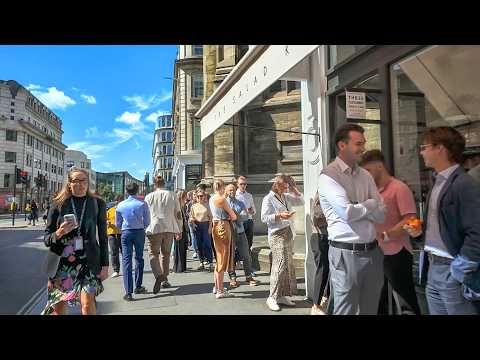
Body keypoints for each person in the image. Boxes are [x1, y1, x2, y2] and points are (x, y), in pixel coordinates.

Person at [318, 123, 386, 315]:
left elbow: (382, 214)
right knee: (345, 310)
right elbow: (346, 213)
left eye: (363, 143)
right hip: (345, 254)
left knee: (370, 308)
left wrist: (360, 205)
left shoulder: (365, 175)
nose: (363, 148)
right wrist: (370, 204)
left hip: (373, 252)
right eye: (358, 143)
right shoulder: (329, 176)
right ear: (342, 145)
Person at [411, 127, 480, 315]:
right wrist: (420, 234)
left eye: (424, 147)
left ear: (440, 149)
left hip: (452, 270)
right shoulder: (438, 182)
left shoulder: (464, 184)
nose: (421, 152)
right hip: (433, 269)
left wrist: (461, 269)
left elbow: (477, 230)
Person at [360, 149, 421, 315]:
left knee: (404, 299)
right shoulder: (370, 192)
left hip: (397, 253)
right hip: (375, 253)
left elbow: (410, 219)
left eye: (368, 170)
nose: (366, 175)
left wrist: (386, 235)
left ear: (380, 166)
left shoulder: (399, 188)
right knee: (378, 298)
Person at [42, 167, 108, 315]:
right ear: (69, 183)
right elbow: (47, 239)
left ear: (88, 182)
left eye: (83, 180)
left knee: (86, 304)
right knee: (59, 309)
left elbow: (103, 238)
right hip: (62, 263)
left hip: (88, 261)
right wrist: (59, 232)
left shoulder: (97, 203)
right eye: (75, 181)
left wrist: (105, 265)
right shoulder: (58, 204)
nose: (79, 184)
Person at [261, 174, 304, 311]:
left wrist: (294, 187)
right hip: (276, 235)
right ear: (277, 185)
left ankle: (281, 295)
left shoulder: (285, 196)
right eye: (284, 186)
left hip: (288, 231)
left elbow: (301, 201)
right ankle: (272, 297)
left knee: (287, 265)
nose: (286, 188)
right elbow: (263, 218)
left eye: (287, 186)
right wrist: (279, 216)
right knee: (279, 264)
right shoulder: (268, 199)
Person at [144, 176, 182, 294]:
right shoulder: (172, 195)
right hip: (169, 227)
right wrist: (179, 229)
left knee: (153, 253)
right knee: (166, 254)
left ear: (154, 184)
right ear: (164, 184)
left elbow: (145, 214)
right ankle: (165, 279)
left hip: (154, 228)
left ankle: (159, 275)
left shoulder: (149, 196)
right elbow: (178, 213)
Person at [116, 183, 150, 301]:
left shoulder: (120, 205)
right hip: (139, 231)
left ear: (126, 191)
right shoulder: (142, 203)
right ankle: (138, 286)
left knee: (126, 260)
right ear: (137, 190)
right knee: (139, 258)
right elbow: (147, 221)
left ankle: (128, 292)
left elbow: (118, 223)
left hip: (126, 232)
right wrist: (142, 225)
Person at [225, 184, 260, 287]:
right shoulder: (224, 203)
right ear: (226, 191)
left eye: (234, 190)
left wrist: (234, 216)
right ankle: (232, 278)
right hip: (229, 233)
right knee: (230, 256)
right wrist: (236, 216)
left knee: (246, 255)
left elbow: (246, 216)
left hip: (240, 231)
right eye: (230, 190)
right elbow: (224, 217)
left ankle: (248, 276)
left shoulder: (240, 203)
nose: (232, 191)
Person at [209, 179, 238, 299]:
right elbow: (233, 216)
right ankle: (220, 290)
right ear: (222, 187)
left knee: (218, 256)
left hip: (215, 225)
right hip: (223, 226)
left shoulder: (211, 198)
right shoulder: (221, 199)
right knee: (222, 257)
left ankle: (217, 287)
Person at [309, 190, 330, 315]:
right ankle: (315, 305)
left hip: (328, 238)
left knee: (329, 270)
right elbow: (316, 218)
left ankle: (324, 298)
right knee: (322, 270)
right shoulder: (320, 198)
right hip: (319, 237)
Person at [189, 189, 214, 271]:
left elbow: (211, 218)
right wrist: (192, 222)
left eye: (201, 196)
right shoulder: (193, 206)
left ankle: (210, 262)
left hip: (205, 225)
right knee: (198, 244)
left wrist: (210, 227)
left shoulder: (207, 205)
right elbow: (191, 217)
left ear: (204, 197)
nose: (200, 197)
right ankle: (201, 262)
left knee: (207, 244)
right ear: (196, 197)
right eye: (198, 196)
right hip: (197, 226)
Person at [236, 176, 256, 252]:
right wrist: (244, 211)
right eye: (241, 184)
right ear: (237, 184)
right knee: (240, 240)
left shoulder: (249, 195)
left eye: (244, 184)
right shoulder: (235, 195)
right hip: (240, 221)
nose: (243, 186)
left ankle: (247, 256)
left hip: (249, 220)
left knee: (249, 240)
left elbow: (254, 210)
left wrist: (252, 211)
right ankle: (240, 257)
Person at [107, 195, 124, 278]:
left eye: (121, 200)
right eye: (118, 201)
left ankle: (126, 267)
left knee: (124, 251)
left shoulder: (124, 210)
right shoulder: (110, 210)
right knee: (114, 252)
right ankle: (116, 270)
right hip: (112, 233)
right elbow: (105, 219)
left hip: (122, 233)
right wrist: (107, 222)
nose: (119, 202)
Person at [174, 190, 189, 273]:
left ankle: (182, 267)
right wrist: (178, 231)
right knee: (179, 249)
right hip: (179, 229)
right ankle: (179, 267)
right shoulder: (177, 206)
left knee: (182, 248)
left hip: (183, 229)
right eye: (185, 196)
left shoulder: (182, 206)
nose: (186, 198)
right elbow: (178, 219)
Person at [186, 190, 198, 259]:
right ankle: (195, 251)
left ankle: (199, 250)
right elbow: (187, 213)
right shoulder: (190, 203)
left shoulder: (201, 202)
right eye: (194, 195)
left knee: (198, 236)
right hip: (191, 222)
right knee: (193, 236)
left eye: (196, 195)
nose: (195, 196)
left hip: (200, 221)